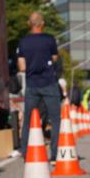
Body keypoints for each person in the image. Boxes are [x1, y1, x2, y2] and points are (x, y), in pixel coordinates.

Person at [16, 12, 61, 161]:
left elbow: (22, 67)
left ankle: (25, 153)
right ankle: (54, 154)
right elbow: (54, 58)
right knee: (55, 120)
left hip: (32, 85)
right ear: (43, 24)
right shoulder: (50, 40)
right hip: (49, 82)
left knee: (28, 119)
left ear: (29, 24)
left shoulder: (23, 42)